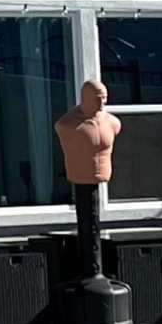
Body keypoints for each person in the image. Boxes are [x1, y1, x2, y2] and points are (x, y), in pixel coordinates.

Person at [53, 74, 121, 279]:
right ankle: (89, 271)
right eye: (97, 98)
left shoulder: (113, 122)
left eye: (105, 98)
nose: (102, 102)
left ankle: (96, 271)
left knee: (94, 223)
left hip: (102, 173)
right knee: (87, 220)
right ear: (85, 98)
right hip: (80, 176)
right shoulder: (67, 125)